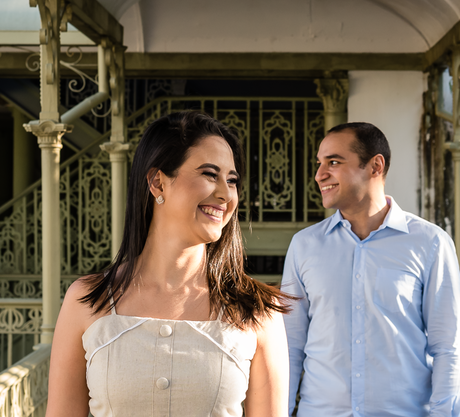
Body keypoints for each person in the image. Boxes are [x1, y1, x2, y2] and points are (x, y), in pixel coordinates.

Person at [47, 110, 291, 417]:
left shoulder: (257, 311)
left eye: (231, 180)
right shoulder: (86, 300)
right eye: (209, 174)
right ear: (158, 183)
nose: (225, 194)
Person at [282, 121, 460, 416]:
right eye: (319, 163)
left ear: (375, 166)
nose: (319, 175)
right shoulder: (304, 246)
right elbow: (289, 347)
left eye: (333, 162)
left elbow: (449, 348)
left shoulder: (430, 243)